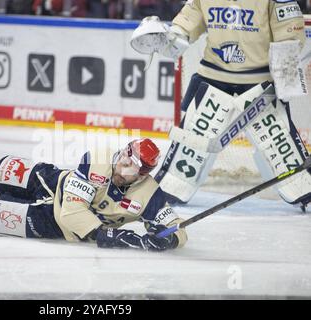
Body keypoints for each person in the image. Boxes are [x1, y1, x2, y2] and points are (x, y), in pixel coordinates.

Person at [130, 0, 311, 212]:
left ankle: (303, 191)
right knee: (190, 149)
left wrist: (284, 82)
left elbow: (289, 38)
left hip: (259, 84)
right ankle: (170, 190)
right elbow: (186, 26)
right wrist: (167, 38)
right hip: (213, 78)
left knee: (282, 149)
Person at [0, 138, 188, 251]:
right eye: (125, 154)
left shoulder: (148, 193)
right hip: (55, 182)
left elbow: (174, 225)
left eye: (132, 164)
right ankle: (0, 185)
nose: (123, 162)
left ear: (144, 173)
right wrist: (105, 236)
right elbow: (73, 207)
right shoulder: (98, 157)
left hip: (51, 223)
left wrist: (170, 238)